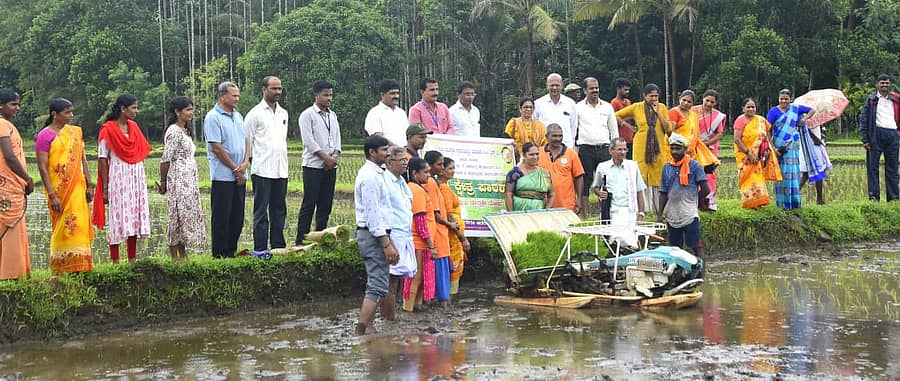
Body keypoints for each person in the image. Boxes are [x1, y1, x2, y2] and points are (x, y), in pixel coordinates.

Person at [35, 98, 94, 274]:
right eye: (67, 112)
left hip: (78, 188)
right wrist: (52, 195)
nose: (71, 116)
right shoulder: (45, 136)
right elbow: (42, 168)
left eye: (71, 112)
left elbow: (83, 160)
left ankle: (81, 264)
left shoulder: (75, 133)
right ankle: (62, 266)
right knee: (63, 226)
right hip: (59, 190)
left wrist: (89, 185)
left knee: (79, 224)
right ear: (55, 114)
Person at [93, 94, 152, 263]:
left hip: (136, 177)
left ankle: (132, 259)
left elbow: (140, 149)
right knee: (118, 216)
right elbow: (103, 158)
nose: (136, 111)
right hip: (118, 177)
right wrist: (105, 187)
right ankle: (115, 260)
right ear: (122, 109)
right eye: (133, 107)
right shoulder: (107, 129)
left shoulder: (133, 127)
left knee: (134, 215)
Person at [353, 135, 398, 335]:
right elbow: (373, 215)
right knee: (377, 285)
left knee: (378, 282)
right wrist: (386, 243)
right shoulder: (370, 177)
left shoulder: (376, 173)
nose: (388, 153)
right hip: (373, 237)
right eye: (383, 150)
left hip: (374, 235)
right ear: (372, 152)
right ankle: (360, 330)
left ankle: (368, 328)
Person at [158, 96, 206, 261]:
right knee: (176, 215)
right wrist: (163, 182)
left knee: (185, 215)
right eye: (187, 110)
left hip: (189, 179)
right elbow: (165, 159)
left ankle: (183, 253)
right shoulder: (173, 131)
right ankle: (174, 256)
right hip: (178, 179)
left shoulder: (186, 131)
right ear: (177, 112)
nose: (191, 113)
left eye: (191, 109)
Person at [245, 76, 289, 255]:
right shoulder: (254, 114)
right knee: (261, 212)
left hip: (281, 169)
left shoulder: (283, 113)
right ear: (264, 89)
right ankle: (261, 249)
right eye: (274, 89)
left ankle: (278, 248)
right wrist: (248, 162)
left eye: (279, 89)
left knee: (279, 210)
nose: (277, 92)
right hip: (262, 169)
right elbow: (246, 141)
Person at [205, 82, 249, 258]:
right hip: (223, 176)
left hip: (240, 174)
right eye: (234, 96)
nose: (237, 99)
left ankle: (231, 251)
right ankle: (219, 254)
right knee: (222, 217)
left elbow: (246, 141)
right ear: (222, 96)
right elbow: (217, 147)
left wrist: (245, 164)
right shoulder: (213, 117)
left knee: (237, 216)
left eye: (238, 95)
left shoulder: (238, 116)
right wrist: (235, 168)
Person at [615, 83, 672, 217]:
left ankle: (660, 212)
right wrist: (627, 126)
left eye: (656, 96)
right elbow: (615, 115)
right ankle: (642, 211)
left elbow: (669, 130)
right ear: (645, 96)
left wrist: (658, 113)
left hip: (658, 148)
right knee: (640, 177)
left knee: (659, 177)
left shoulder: (662, 107)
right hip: (640, 147)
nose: (654, 99)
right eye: (651, 96)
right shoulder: (636, 107)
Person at [297, 80, 342, 244]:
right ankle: (301, 240)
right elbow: (309, 141)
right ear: (316, 95)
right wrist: (326, 158)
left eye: (330, 95)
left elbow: (337, 139)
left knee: (325, 204)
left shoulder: (332, 115)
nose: (329, 98)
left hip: (330, 167)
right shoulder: (307, 115)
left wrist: (334, 156)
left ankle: (321, 239)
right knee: (309, 204)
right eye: (325, 95)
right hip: (313, 166)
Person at [0, 89, 33, 280]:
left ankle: (14, 271)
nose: (17, 108)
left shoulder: (7, 125)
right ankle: (10, 272)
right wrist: (27, 178)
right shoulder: (2, 125)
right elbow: (10, 157)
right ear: (1, 105)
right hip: (7, 183)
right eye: (13, 104)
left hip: (11, 182)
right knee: (9, 224)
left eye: (17, 104)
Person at [658, 133, 710, 256]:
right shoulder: (667, 167)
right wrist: (660, 214)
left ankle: (699, 271)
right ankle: (679, 273)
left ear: (685, 149)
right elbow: (663, 192)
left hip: (689, 214)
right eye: (672, 148)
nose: (674, 151)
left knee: (695, 247)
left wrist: (695, 201)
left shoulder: (694, 166)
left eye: (678, 148)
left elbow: (706, 189)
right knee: (675, 249)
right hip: (672, 215)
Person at [767, 89, 817, 209]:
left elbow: (812, 110)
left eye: (786, 99)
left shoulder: (795, 108)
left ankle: (794, 202)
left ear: (790, 99)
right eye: (781, 99)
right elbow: (767, 129)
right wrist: (772, 148)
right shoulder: (773, 111)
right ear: (778, 99)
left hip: (792, 145)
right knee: (781, 173)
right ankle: (783, 203)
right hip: (779, 145)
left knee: (793, 172)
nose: (784, 101)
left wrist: (804, 120)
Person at [591, 137, 646, 248]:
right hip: (612, 211)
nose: (623, 152)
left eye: (625, 149)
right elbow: (595, 187)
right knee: (614, 244)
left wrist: (641, 214)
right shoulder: (602, 167)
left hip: (629, 211)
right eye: (619, 149)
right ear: (611, 151)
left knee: (630, 245)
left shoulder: (632, 166)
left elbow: (640, 191)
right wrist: (599, 193)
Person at [576, 77, 618, 216]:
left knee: (606, 181)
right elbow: (574, 128)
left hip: (604, 149)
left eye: (596, 88)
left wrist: (615, 148)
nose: (594, 90)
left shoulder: (607, 106)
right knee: (586, 182)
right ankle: (585, 215)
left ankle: (605, 213)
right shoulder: (578, 108)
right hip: (585, 149)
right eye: (591, 88)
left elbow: (614, 130)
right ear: (585, 90)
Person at [383, 146, 415, 318]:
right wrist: (388, 241)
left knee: (400, 278)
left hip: (404, 235)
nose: (405, 163)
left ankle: (392, 315)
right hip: (393, 236)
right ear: (389, 162)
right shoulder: (385, 182)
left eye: (406, 160)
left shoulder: (402, 181)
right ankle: (389, 320)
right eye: (402, 160)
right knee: (391, 281)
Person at [403, 158, 438, 312]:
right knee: (415, 278)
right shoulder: (416, 190)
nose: (429, 176)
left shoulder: (416, 188)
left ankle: (416, 307)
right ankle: (408, 310)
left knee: (421, 278)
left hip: (422, 243)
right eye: (426, 172)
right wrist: (431, 245)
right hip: (419, 243)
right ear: (415, 173)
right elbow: (420, 221)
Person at [860, 74, 900, 201]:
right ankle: (874, 197)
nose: (885, 85)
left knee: (892, 168)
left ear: (890, 84)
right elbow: (864, 119)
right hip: (875, 135)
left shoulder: (896, 99)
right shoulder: (871, 99)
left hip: (892, 134)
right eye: (882, 83)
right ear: (877, 84)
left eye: (887, 83)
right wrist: (865, 139)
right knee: (873, 168)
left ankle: (893, 198)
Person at [734, 97, 779, 209]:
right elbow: (737, 139)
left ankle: (758, 202)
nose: (751, 109)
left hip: (758, 155)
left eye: (753, 106)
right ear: (743, 108)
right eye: (748, 107)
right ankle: (749, 203)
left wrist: (770, 148)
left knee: (757, 177)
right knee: (747, 178)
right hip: (744, 155)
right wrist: (749, 154)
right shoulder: (740, 120)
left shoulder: (761, 120)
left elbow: (767, 135)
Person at [424, 150, 453, 308]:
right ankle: (443, 308)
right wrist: (451, 225)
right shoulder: (430, 183)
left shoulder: (435, 183)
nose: (442, 167)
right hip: (437, 234)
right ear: (430, 165)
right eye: (439, 164)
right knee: (441, 277)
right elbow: (436, 214)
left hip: (441, 233)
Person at [438, 157, 470, 301]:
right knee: (453, 269)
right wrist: (462, 238)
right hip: (453, 236)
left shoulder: (445, 186)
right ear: (442, 170)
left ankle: (447, 303)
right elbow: (449, 216)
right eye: (450, 168)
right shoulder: (444, 188)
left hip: (453, 235)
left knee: (452, 269)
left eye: (453, 168)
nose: (453, 171)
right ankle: (447, 303)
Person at [691, 90, 727, 211]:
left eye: (712, 102)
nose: (709, 103)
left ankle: (708, 203)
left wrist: (706, 143)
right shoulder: (693, 111)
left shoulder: (717, 115)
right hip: (694, 147)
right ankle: (693, 202)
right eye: (707, 100)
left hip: (709, 149)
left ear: (715, 103)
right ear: (703, 99)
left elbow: (720, 133)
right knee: (693, 173)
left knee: (709, 175)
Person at [538, 124, 585, 214]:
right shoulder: (538, 153)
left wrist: (578, 199)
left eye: (560, 136)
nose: (558, 139)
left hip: (567, 206)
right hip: (543, 206)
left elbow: (579, 177)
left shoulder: (571, 153)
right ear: (546, 137)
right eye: (554, 136)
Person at [505, 142, 554, 211]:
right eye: (531, 154)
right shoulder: (515, 173)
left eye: (537, 154)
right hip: (519, 212)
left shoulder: (545, 173)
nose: (535, 157)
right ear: (524, 155)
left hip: (539, 212)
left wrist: (546, 210)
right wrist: (511, 213)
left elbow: (552, 194)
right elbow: (508, 193)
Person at [535, 73, 578, 147]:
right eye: (552, 85)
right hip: (544, 147)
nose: (554, 88)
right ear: (547, 86)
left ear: (562, 86)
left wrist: (572, 144)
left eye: (557, 85)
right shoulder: (538, 104)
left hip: (566, 146)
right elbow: (534, 126)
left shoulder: (570, 103)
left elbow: (573, 127)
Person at [365, 79, 408, 147]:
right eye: (392, 93)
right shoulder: (375, 113)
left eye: (397, 93)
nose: (396, 96)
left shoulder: (401, 113)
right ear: (382, 95)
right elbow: (378, 138)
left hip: (404, 154)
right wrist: (398, 150)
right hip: (386, 155)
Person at [611, 78, 634, 159]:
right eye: (625, 90)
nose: (627, 92)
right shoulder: (614, 103)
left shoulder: (628, 102)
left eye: (628, 90)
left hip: (630, 138)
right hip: (620, 139)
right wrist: (625, 122)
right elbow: (613, 120)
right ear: (618, 89)